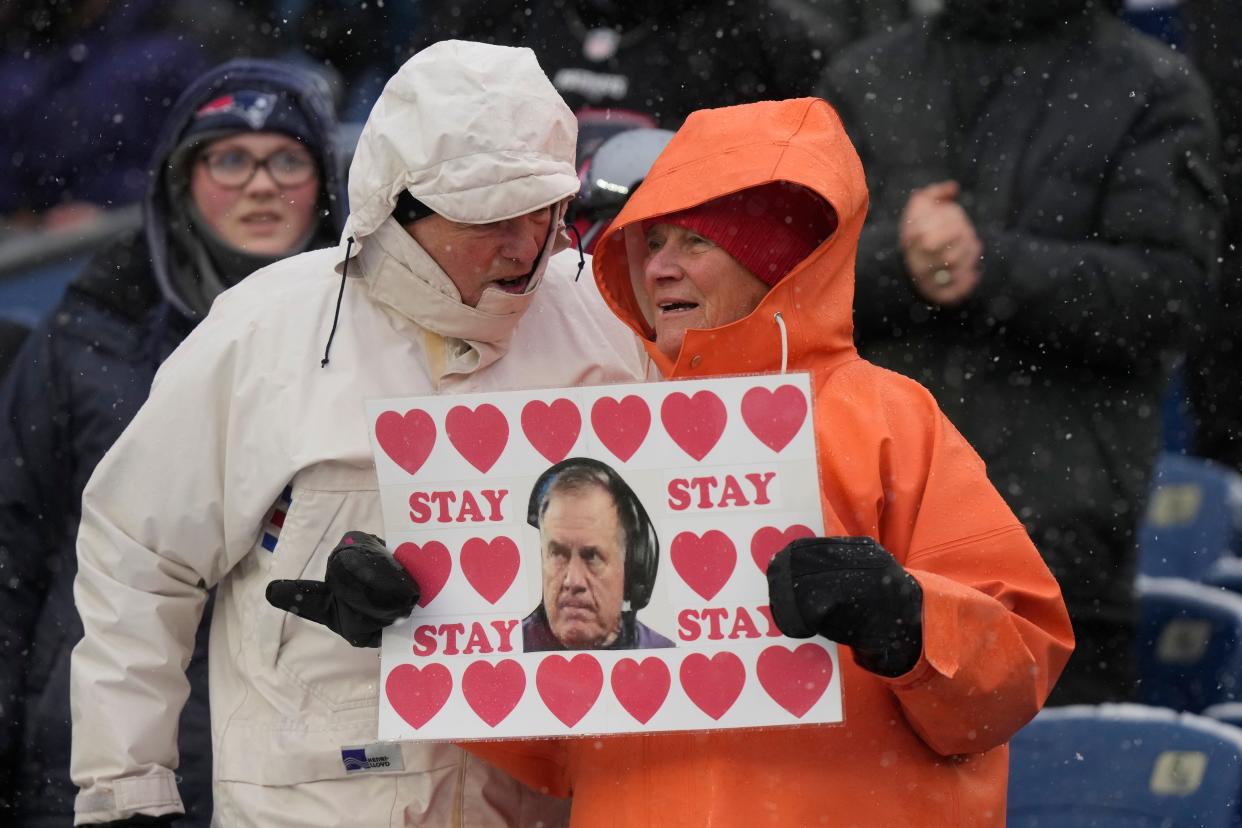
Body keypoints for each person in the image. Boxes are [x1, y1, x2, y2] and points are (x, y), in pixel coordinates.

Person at [284, 96, 1074, 824]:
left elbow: (1021, 666)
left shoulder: (889, 417)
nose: (658, 267)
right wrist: (423, 628)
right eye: (650, 241)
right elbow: (557, 753)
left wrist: (908, 620)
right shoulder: (593, 433)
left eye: (696, 240)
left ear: (781, 257)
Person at [68, 41, 649, 826]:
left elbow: (669, 561)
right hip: (316, 803)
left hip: (542, 801)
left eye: (542, 210)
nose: (526, 245)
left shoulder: (603, 324)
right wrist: (127, 792)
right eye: (489, 219)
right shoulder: (265, 333)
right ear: (397, 207)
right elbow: (139, 558)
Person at [818, 0, 1222, 705]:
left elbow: (1171, 298)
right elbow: (788, 286)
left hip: (1058, 560)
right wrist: (897, 262)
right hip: (868, 536)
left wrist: (993, 268)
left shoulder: (1152, 84)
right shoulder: (865, 75)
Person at [0, 58, 346, 827]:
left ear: (326, 185)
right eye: (230, 157)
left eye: (287, 158)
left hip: (311, 765)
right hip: (96, 757)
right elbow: (12, 554)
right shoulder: (83, 336)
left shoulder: (373, 342)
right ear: (180, 179)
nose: (261, 184)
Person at [522, 458, 674, 651]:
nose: (572, 581)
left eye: (591, 557)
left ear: (633, 566)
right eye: (558, 555)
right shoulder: (505, 653)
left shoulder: (665, 658)